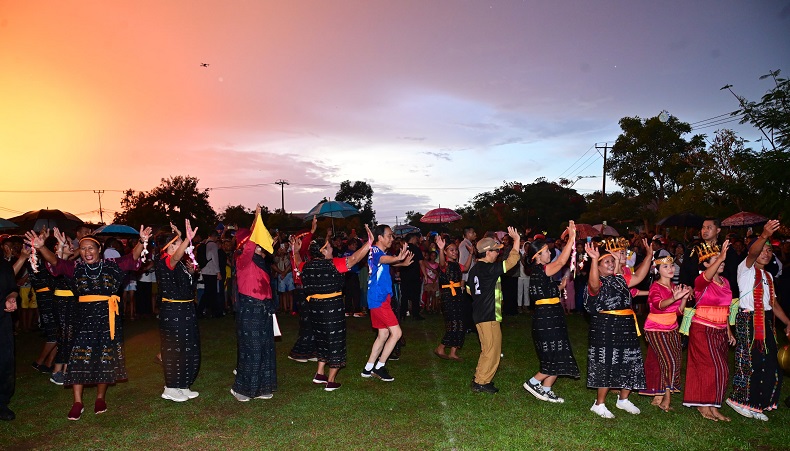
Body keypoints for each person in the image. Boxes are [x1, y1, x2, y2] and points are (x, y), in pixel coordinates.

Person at [28, 225, 151, 421]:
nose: (87, 252)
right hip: (82, 320)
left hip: (106, 320)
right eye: (83, 249)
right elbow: (56, 262)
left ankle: (100, 398)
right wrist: (42, 247)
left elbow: (132, 258)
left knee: (103, 360)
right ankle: (77, 402)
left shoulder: (112, 264)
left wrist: (142, 242)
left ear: (99, 250)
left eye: (91, 248)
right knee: (77, 360)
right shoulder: (75, 268)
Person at [293, 226, 372, 391]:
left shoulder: (306, 266)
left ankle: (320, 373)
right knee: (335, 342)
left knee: (321, 340)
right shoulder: (333, 264)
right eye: (329, 247)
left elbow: (298, 262)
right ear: (322, 251)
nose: (332, 249)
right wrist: (369, 243)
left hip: (314, 310)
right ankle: (331, 380)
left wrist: (296, 251)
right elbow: (355, 258)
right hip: (332, 309)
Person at [726, 220, 790, 421]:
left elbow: (773, 303)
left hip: (766, 321)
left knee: (769, 362)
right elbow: (752, 254)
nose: (766, 252)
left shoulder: (768, 276)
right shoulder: (745, 268)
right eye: (763, 248)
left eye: (770, 250)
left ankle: (757, 404)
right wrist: (763, 235)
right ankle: (740, 401)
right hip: (748, 319)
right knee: (749, 362)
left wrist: (788, 322)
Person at [584, 238, 651, 418]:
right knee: (606, 364)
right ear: (598, 267)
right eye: (607, 261)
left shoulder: (620, 280)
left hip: (626, 327)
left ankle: (623, 399)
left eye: (612, 261)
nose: (612, 263)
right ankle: (599, 404)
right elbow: (593, 285)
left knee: (630, 361)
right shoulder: (598, 283)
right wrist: (593, 260)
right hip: (606, 328)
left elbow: (639, 277)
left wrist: (650, 255)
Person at [522, 222, 579, 403]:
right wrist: (572, 238)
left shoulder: (543, 274)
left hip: (552, 315)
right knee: (554, 355)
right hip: (546, 318)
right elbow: (561, 261)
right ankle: (533, 382)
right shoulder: (542, 270)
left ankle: (546, 389)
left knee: (559, 352)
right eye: (546, 251)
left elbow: (556, 285)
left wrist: (563, 281)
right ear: (538, 256)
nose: (550, 253)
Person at [683, 240, 735, 421]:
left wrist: (728, 330)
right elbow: (705, 277)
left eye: (722, 261)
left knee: (723, 369)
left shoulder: (726, 282)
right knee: (713, 367)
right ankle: (703, 406)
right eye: (716, 261)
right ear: (706, 264)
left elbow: (726, 308)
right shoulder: (701, 282)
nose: (722, 263)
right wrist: (720, 255)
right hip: (702, 329)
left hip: (720, 331)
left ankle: (713, 406)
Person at [231, 207, 277, 401]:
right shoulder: (243, 260)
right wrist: (257, 219)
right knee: (251, 349)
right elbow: (250, 244)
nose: (260, 247)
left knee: (265, 348)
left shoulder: (260, 262)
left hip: (264, 310)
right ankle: (241, 390)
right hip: (249, 309)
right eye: (258, 244)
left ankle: (262, 388)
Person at [467, 227, 521, 394]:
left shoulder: (475, 269)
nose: (498, 253)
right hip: (488, 315)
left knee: (487, 349)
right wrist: (516, 241)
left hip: (480, 313)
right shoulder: (488, 269)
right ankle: (482, 381)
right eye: (495, 251)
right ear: (487, 252)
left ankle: (479, 378)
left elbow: (469, 289)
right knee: (492, 350)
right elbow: (511, 262)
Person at [155, 221, 201, 403]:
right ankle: (171, 388)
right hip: (174, 310)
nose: (182, 244)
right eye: (178, 242)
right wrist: (187, 239)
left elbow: (180, 262)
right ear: (170, 246)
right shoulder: (164, 260)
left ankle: (183, 385)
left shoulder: (180, 263)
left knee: (188, 347)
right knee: (174, 349)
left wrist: (190, 270)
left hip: (186, 309)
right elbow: (173, 258)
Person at [638, 255, 691, 412]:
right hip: (655, 328)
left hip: (672, 327)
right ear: (658, 270)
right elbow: (659, 305)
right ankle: (666, 399)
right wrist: (674, 297)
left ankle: (660, 394)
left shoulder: (674, 287)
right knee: (669, 362)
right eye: (665, 266)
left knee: (675, 360)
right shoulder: (656, 286)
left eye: (672, 266)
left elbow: (679, 312)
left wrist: (684, 298)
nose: (670, 269)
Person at [362, 224, 413, 382]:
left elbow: (384, 263)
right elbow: (384, 259)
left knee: (383, 334)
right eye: (389, 235)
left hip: (379, 298)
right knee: (396, 333)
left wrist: (401, 263)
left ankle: (368, 368)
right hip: (379, 299)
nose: (392, 238)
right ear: (380, 238)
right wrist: (398, 258)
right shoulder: (377, 251)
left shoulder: (378, 252)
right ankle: (379, 367)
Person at [433, 235, 466, 361]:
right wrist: (440, 249)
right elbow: (441, 263)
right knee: (452, 324)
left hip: (458, 295)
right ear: (446, 252)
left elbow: (466, 268)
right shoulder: (444, 265)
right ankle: (440, 348)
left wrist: (470, 255)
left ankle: (453, 352)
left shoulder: (457, 265)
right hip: (448, 296)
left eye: (456, 250)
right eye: (451, 250)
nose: (455, 252)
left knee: (461, 323)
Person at [0, 256, 19, 420]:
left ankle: (2, 403)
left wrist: (11, 297)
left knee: (5, 362)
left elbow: (12, 287)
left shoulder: (4, 264)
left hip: (3, 321)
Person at [399, 233, 425, 320]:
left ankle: (403, 314)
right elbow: (421, 263)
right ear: (412, 239)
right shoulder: (416, 249)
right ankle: (415, 314)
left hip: (404, 275)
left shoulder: (403, 249)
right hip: (414, 275)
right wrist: (425, 274)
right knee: (415, 296)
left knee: (404, 295)